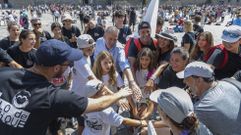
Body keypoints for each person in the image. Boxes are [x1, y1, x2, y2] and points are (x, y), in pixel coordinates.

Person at [0, 39, 133, 135]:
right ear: (57, 68)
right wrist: (120, 94)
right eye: (69, 64)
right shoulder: (52, 96)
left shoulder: (5, 74)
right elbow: (99, 105)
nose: (70, 67)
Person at [177, 61, 241, 135]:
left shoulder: (200, 108)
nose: (184, 81)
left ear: (199, 80)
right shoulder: (228, 82)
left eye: (187, 79)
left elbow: (184, 133)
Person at [94, 26, 143, 102]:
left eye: (115, 40)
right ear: (104, 36)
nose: (113, 42)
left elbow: (124, 64)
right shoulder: (98, 42)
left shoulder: (119, 47)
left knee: (116, 97)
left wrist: (132, 82)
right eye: (110, 39)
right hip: (99, 74)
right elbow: (95, 59)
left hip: (114, 75)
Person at [82, 80, 147, 135]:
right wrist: (141, 123)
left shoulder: (85, 103)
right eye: (102, 91)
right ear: (94, 96)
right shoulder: (105, 110)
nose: (106, 92)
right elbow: (124, 121)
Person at [134, 48, 155, 120]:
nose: (144, 62)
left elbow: (153, 91)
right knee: (135, 116)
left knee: (143, 117)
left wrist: (148, 103)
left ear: (150, 60)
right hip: (136, 98)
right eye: (142, 59)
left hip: (146, 99)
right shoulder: (136, 70)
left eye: (147, 59)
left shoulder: (152, 72)